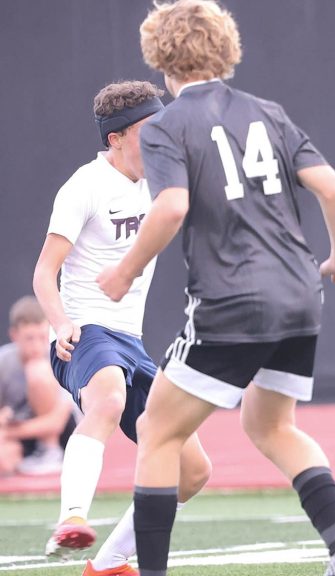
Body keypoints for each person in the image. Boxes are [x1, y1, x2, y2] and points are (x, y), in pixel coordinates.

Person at [96, 2, 335, 575]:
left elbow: (171, 207)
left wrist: (124, 270)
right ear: (229, 47)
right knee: (272, 425)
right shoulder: (267, 112)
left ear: (158, 55)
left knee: (156, 430)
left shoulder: (167, 125)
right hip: (301, 293)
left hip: (231, 300)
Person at [33, 80, 213, 575]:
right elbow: (44, 272)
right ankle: (71, 516)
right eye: (149, 130)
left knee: (192, 470)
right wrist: (61, 322)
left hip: (130, 341)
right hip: (85, 332)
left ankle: (108, 565)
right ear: (115, 138)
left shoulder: (163, 178)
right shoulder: (83, 187)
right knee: (108, 397)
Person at [0, 296, 76, 477]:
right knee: (4, 461)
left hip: (63, 434)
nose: (36, 346)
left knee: (38, 371)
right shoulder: (4, 361)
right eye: (29, 338)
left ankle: (50, 451)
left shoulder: (61, 358)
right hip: (24, 434)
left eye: (42, 337)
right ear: (14, 335)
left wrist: (8, 432)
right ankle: (30, 457)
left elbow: (56, 422)